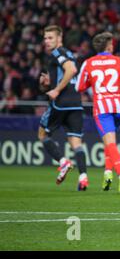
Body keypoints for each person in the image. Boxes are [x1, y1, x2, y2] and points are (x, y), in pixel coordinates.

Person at [75, 32, 120, 194]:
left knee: (109, 142)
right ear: (109, 46)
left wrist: (93, 83)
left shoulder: (88, 63)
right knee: (109, 141)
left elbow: (79, 87)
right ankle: (107, 173)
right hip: (119, 106)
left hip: (102, 108)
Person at [38, 25, 89, 190]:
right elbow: (69, 71)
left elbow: (71, 70)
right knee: (76, 142)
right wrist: (49, 83)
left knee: (43, 134)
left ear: (59, 38)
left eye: (50, 38)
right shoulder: (69, 54)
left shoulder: (57, 53)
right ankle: (83, 177)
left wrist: (56, 89)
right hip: (76, 103)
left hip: (61, 103)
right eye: (45, 38)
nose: (47, 41)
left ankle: (63, 162)